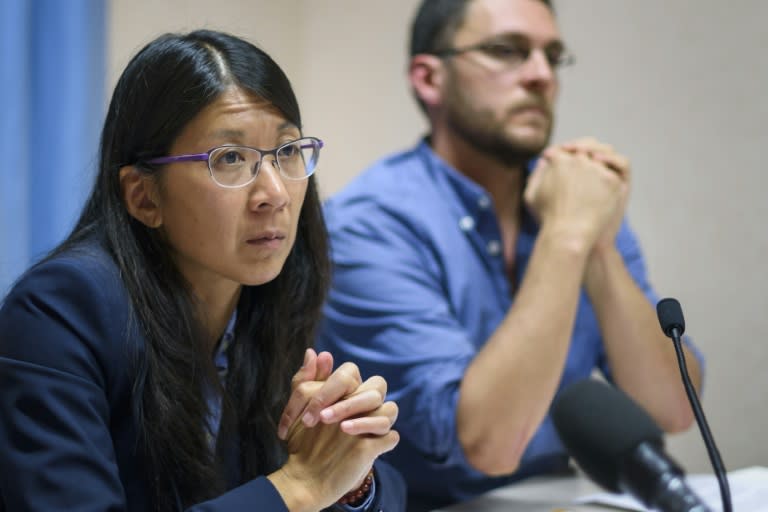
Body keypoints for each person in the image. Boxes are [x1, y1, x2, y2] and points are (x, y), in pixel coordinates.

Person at [316, 0, 704, 509]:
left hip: (558, 497)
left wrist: (599, 246)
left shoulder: (572, 198)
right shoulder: (366, 227)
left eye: (552, 55)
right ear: (430, 78)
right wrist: (568, 236)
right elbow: (487, 447)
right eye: (507, 51)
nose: (542, 76)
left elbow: (673, 409)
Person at [0, 30, 405, 512]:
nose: (274, 192)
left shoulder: (270, 297)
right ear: (144, 197)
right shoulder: (61, 310)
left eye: (288, 152)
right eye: (230, 158)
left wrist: (349, 473)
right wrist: (300, 487)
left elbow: (389, 486)